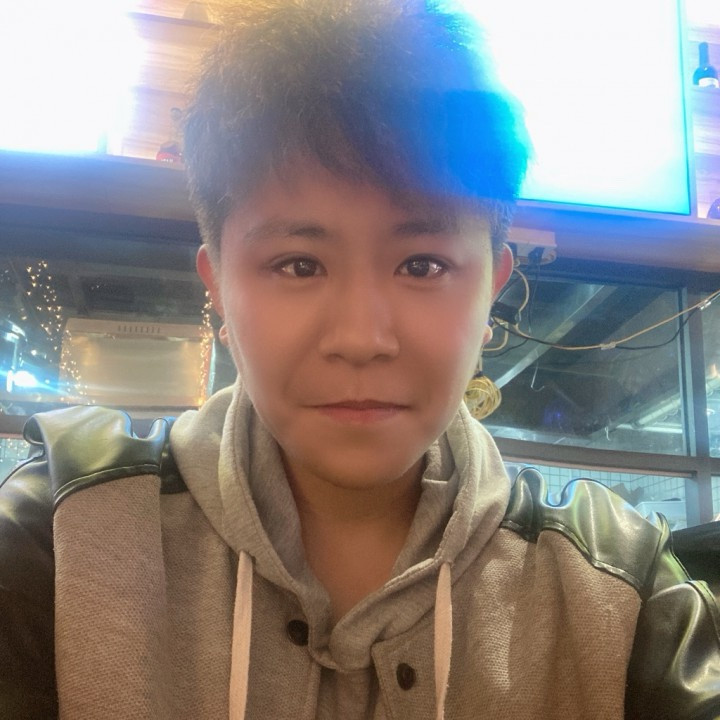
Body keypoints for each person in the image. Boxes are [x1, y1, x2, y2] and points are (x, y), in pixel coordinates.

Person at [1, 1, 719, 718]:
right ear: (217, 286)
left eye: (422, 265)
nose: (361, 337)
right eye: (299, 264)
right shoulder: (60, 533)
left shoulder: (619, 586)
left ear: (491, 292)